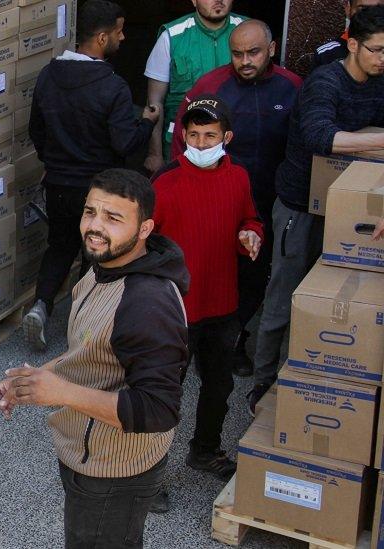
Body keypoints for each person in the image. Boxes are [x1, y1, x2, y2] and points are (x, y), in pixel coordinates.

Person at [0, 169, 188, 549]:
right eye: (90, 212)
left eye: (113, 218)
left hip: (112, 473)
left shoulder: (146, 305)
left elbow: (159, 410)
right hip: (89, 454)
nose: (95, 227)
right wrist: (31, 381)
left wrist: (61, 392)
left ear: (145, 228)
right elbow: (89, 351)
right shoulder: (103, 269)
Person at [248, 6, 384, 412]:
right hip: (301, 205)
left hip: (352, 207)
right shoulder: (325, 81)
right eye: (376, 50)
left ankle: (319, 378)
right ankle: (263, 385)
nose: (382, 58)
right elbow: (320, 135)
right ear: (353, 45)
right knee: (284, 297)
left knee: (336, 299)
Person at [23, 0, 160, 351]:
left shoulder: (48, 75)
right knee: (96, 255)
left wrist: (54, 162)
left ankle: (40, 307)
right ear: (101, 38)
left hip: (57, 183)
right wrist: (147, 122)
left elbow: (36, 130)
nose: (123, 37)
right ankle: (82, 329)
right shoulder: (112, 87)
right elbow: (125, 142)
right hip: (97, 190)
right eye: (118, 31)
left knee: (59, 245)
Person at [169, 20, 302, 377]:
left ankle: (235, 340)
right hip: (214, 198)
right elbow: (183, 140)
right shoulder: (211, 85)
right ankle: (194, 342)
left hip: (269, 201)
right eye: (237, 53)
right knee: (208, 270)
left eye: (253, 52)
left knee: (254, 276)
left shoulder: (292, 87)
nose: (245, 60)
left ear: (271, 49)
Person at [153, 96, 263, 486]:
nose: (200, 144)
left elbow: (249, 218)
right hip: (176, 308)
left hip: (222, 305)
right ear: (182, 135)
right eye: (193, 135)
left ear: (226, 137)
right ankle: (149, 472)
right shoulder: (165, 182)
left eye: (209, 136)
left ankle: (205, 450)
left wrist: (251, 234)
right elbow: (143, 241)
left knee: (218, 386)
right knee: (164, 392)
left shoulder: (239, 178)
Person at [144, 0, 245, 173]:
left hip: (236, 145)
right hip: (182, 146)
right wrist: (155, 154)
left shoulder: (248, 30)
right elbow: (155, 103)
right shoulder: (172, 35)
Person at [313, 0, 382, 69]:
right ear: (348, 8)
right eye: (363, 9)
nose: (372, 17)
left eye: (379, 10)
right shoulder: (327, 54)